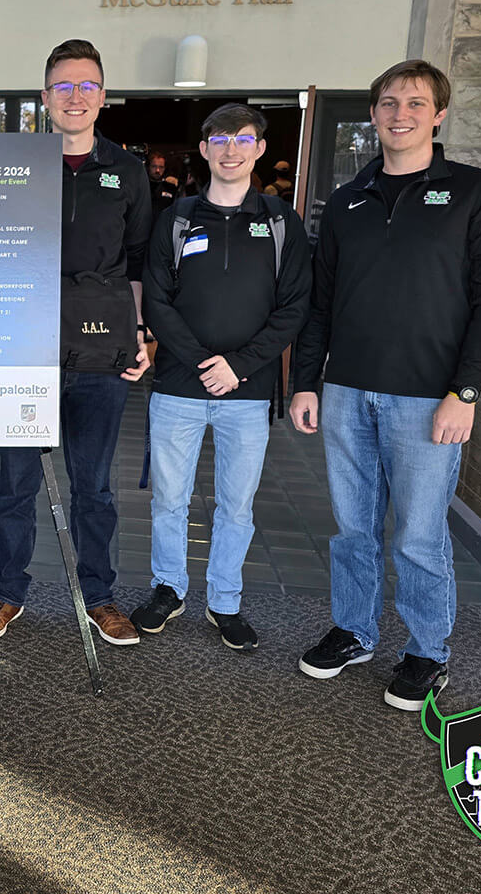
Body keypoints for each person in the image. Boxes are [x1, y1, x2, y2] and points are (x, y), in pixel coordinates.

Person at [289, 59, 481, 711]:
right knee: (352, 527)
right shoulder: (347, 201)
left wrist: (466, 391)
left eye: (416, 103)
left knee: (419, 532)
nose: (401, 114)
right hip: (347, 391)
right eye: (389, 102)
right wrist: (307, 383)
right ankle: (355, 631)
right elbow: (321, 302)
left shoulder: (478, 194)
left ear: (439, 114)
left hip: (430, 397)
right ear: (373, 114)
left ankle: (426, 650)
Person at [0, 38, 152, 647]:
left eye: (87, 85)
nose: (76, 96)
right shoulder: (14, 164)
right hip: (24, 348)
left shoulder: (126, 171)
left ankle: (100, 597)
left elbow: (139, 263)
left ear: (103, 96)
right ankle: (6, 593)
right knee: (15, 483)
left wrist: (142, 335)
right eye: (64, 86)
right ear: (45, 97)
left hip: (102, 352)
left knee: (93, 486)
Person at [132, 104, 310, 650]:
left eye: (243, 139)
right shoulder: (178, 217)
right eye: (220, 139)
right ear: (205, 148)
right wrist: (201, 361)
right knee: (169, 499)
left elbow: (294, 306)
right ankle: (168, 588)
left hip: (248, 393)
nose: (231, 149)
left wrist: (239, 365)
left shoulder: (281, 222)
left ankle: (224, 601)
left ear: (259, 148)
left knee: (236, 504)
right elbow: (157, 300)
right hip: (178, 388)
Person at [146, 149, 181, 215]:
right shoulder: (141, 186)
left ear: (165, 168)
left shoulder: (170, 187)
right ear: (148, 167)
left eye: (161, 167)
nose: (157, 170)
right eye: (154, 166)